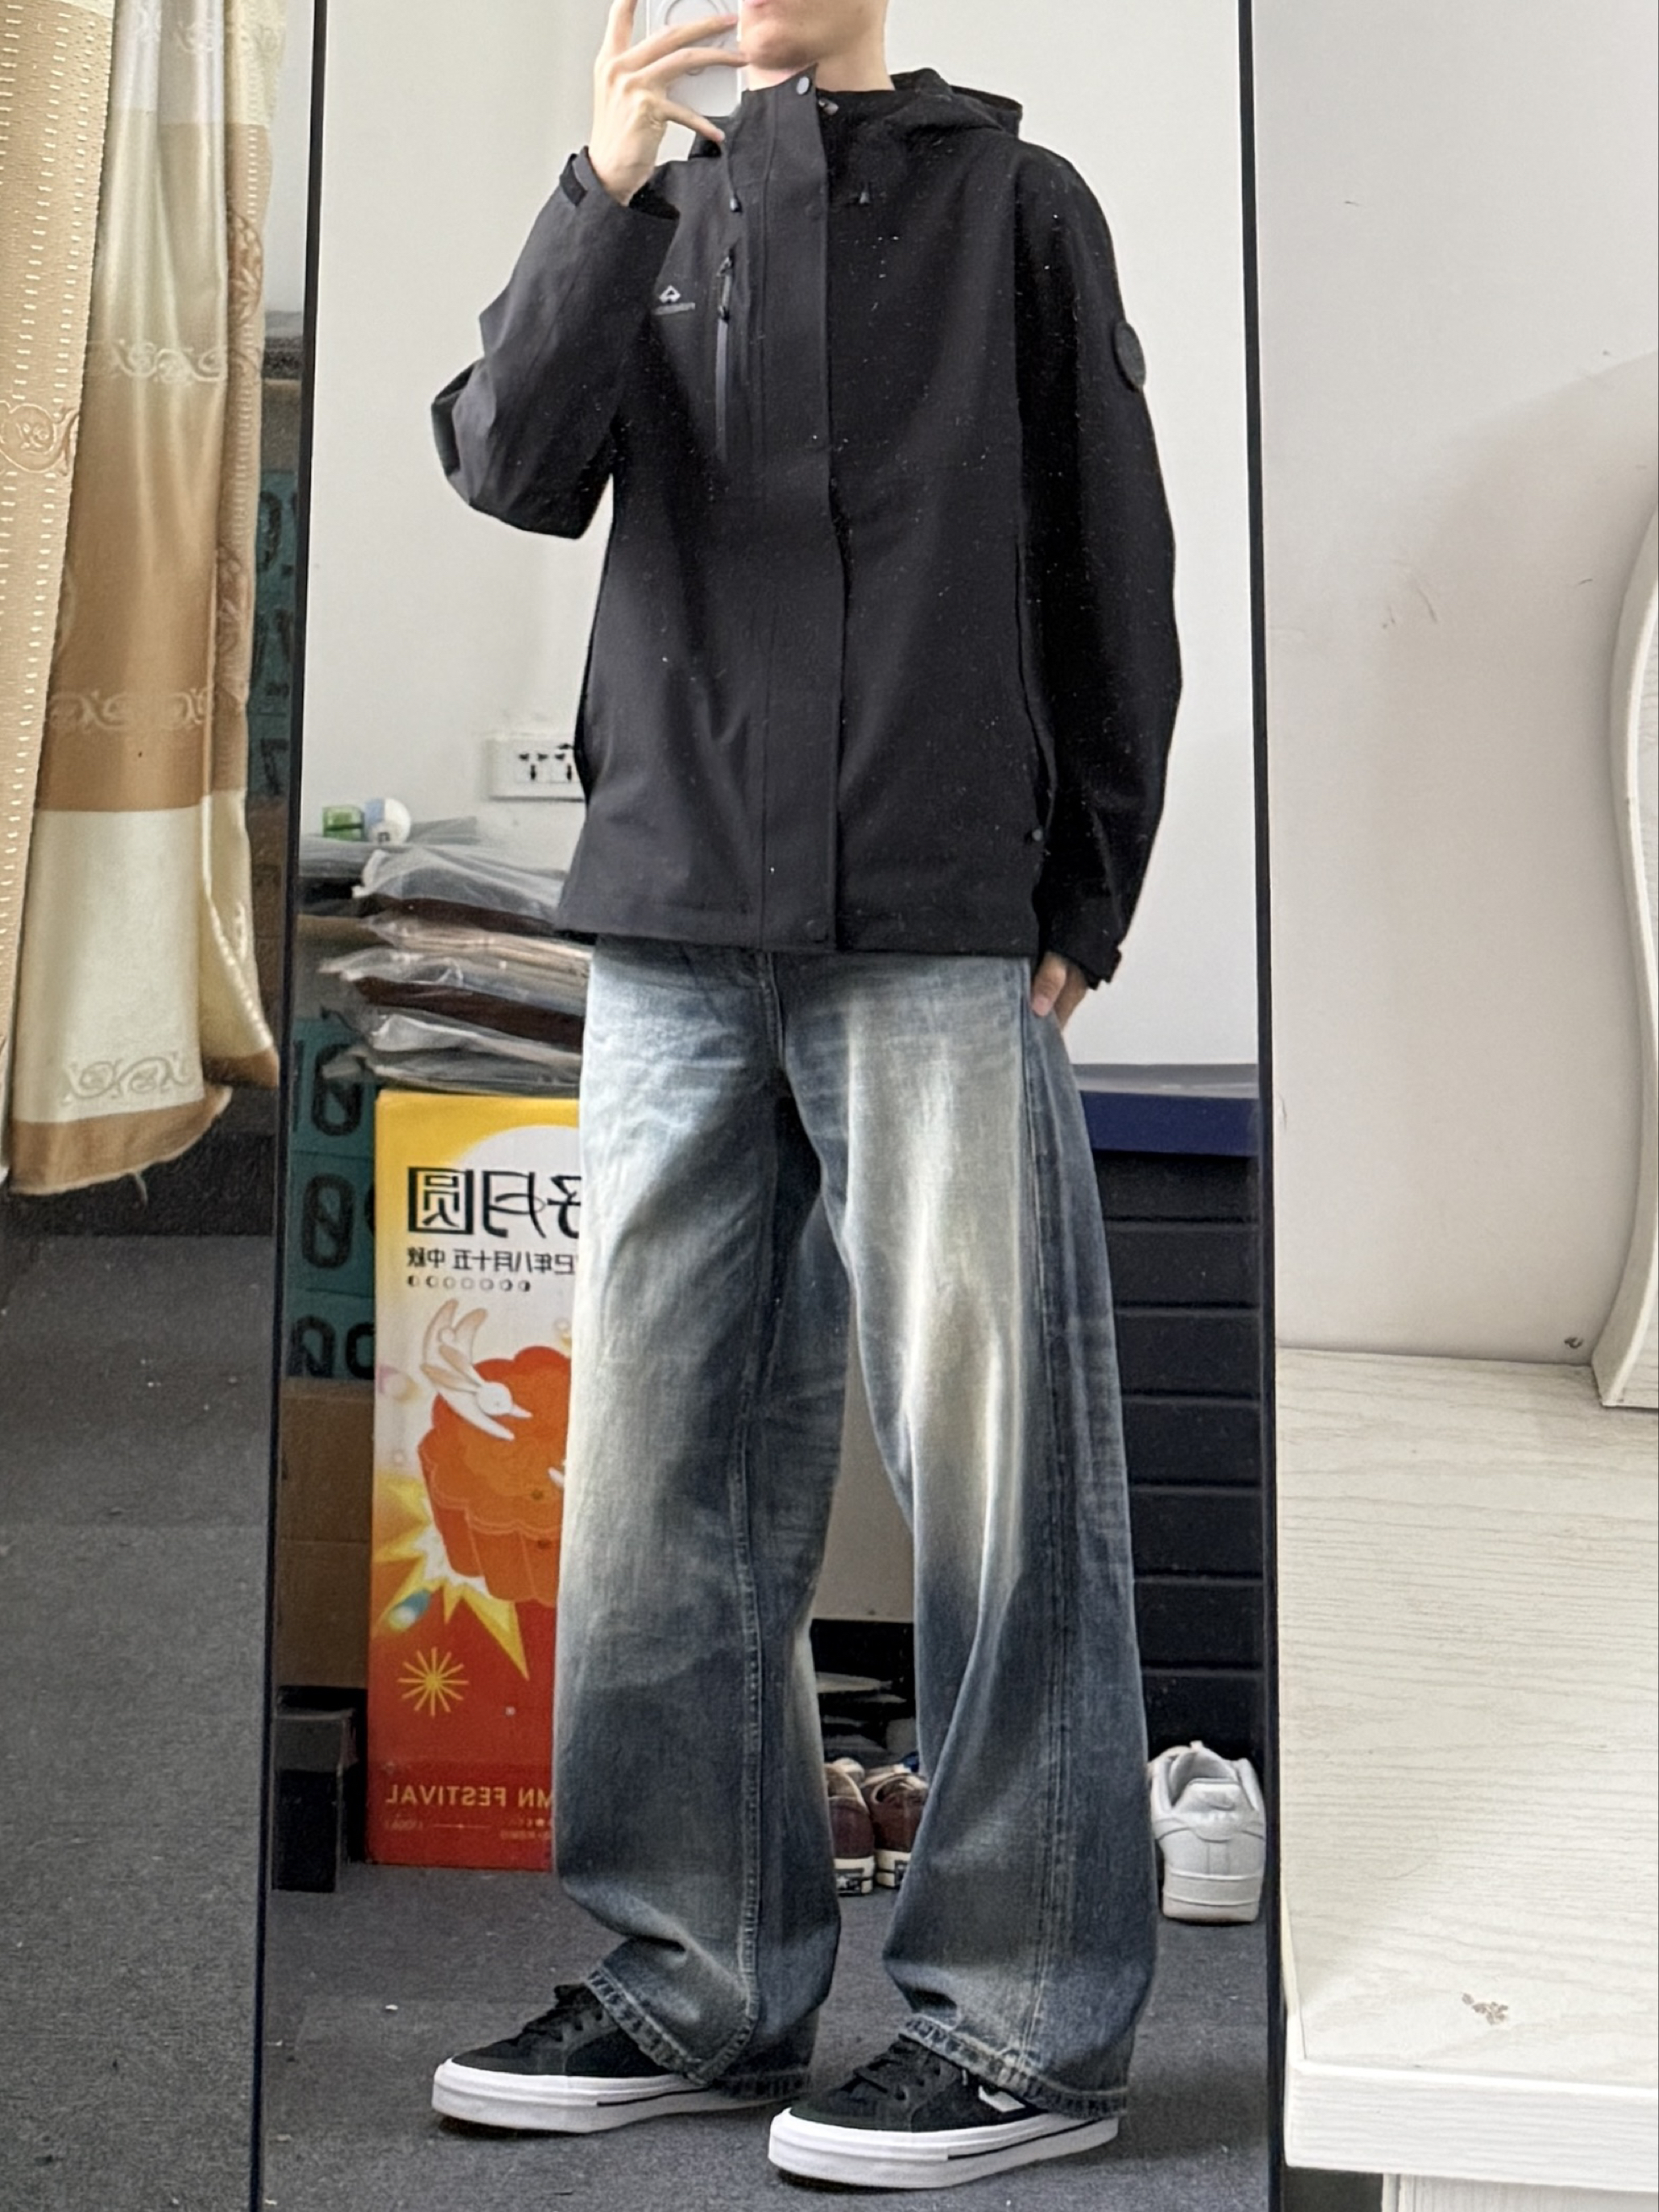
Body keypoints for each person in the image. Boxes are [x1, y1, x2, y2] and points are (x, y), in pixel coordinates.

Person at [428, 0, 1182, 2188]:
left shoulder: (1017, 208)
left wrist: (1092, 889)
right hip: (672, 923)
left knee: (1002, 1483)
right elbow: (508, 462)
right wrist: (600, 183)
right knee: (650, 1483)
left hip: (937, 920)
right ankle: (697, 1980)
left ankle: (1026, 2025)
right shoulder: (647, 205)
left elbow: (1108, 563)